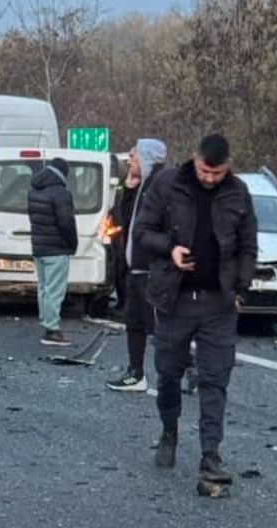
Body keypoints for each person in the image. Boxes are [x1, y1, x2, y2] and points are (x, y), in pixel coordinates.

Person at [133, 134, 257, 486]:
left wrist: (241, 288)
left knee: (215, 378)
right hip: (173, 298)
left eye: (217, 173)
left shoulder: (238, 193)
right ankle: (169, 431)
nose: (210, 178)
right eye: (205, 170)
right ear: (194, 158)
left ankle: (210, 456)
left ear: (228, 166)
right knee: (169, 371)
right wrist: (170, 248)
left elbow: (248, 245)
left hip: (219, 301)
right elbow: (142, 231)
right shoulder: (167, 184)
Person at [107, 139, 167, 392]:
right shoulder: (140, 186)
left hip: (151, 270)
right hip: (136, 268)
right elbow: (126, 219)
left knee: (157, 327)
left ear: (146, 158)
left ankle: (188, 366)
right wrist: (129, 190)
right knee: (135, 322)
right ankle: (136, 372)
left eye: (133, 157)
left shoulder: (159, 187)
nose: (129, 162)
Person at [27, 158, 78, 347]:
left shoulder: (34, 191)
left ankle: (46, 320)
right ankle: (52, 329)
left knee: (43, 288)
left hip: (39, 247)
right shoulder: (61, 194)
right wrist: (72, 244)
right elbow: (66, 223)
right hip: (57, 248)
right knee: (55, 290)